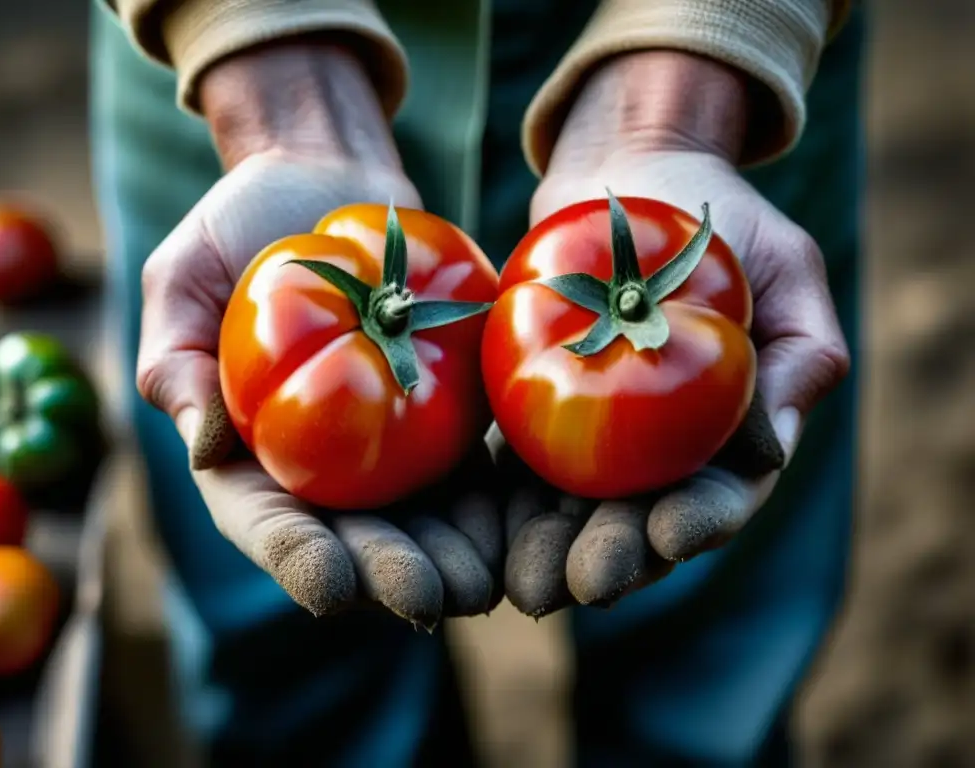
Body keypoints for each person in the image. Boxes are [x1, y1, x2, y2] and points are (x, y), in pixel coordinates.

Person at [92, 0, 861, 764]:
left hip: (719, 83)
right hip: (227, 56)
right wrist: (263, 74)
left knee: (704, 650)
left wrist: (689, 94)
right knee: (289, 665)